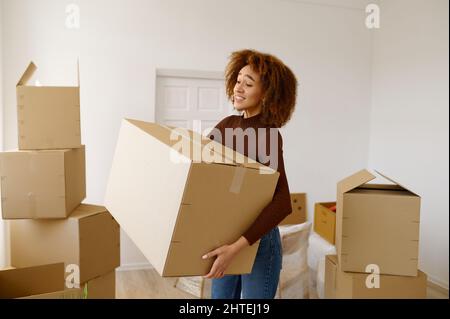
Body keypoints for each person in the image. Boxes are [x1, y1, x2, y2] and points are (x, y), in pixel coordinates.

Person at [203, 49, 298, 299]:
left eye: (248, 83)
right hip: (227, 234)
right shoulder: (226, 126)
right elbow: (198, 169)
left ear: (266, 93)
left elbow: (282, 202)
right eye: (238, 80)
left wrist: (236, 248)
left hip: (258, 240)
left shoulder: (268, 136)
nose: (239, 88)